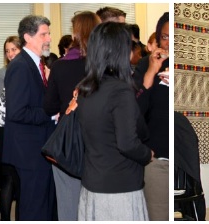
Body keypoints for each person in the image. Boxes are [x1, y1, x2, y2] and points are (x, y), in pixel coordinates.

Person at [76, 22, 153, 221]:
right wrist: (147, 154)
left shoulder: (86, 89)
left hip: (92, 184)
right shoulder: (120, 91)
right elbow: (127, 143)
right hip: (119, 189)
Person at [42, 11, 100, 221]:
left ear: (75, 33)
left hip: (68, 141)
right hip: (98, 142)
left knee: (68, 205)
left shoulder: (60, 66)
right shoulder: (103, 67)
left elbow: (48, 107)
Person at [2, 15, 56, 221]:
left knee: (43, 205)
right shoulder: (20, 66)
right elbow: (17, 111)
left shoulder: (35, 64)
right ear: (28, 37)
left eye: (48, 33)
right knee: (34, 208)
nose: (49, 38)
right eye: (44, 34)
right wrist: (51, 113)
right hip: (28, 152)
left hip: (37, 148)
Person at [133, 12, 170, 221]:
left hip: (182, 159)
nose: (169, 43)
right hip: (158, 158)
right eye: (164, 37)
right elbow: (135, 109)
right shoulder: (147, 63)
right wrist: (151, 71)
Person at [0, 35, 22, 221]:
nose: (10, 54)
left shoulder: (22, 70)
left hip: (12, 129)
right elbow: (0, 104)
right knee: (10, 178)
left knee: (13, 178)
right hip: (9, 129)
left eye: (14, 49)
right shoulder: (4, 72)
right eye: (8, 50)